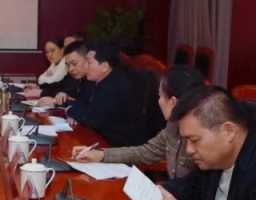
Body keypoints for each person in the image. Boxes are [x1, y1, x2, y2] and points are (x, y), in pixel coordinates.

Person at [72, 65, 205, 179]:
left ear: (172, 102)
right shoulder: (172, 125)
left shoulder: (203, 137)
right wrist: (101, 154)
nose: (158, 101)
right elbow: (146, 152)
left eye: (160, 96)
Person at [65, 42, 149, 147]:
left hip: (122, 147)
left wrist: (71, 111)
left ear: (104, 66)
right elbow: (81, 103)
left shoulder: (116, 86)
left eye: (89, 63)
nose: (85, 67)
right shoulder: (97, 82)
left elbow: (94, 120)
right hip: (103, 139)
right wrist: (75, 113)